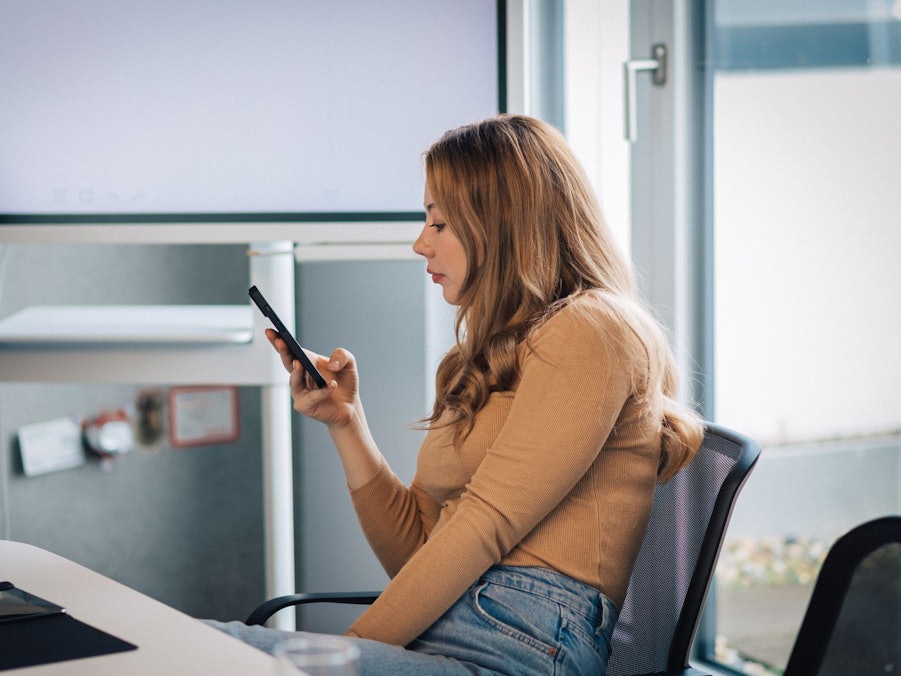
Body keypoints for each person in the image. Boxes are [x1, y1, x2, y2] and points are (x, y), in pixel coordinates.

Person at [208, 114, 704, 675]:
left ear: (504, 224)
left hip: (519, 651)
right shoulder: (489, 353)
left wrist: (328, 660)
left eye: (439, 223)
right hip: (447, 631)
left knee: (195, 653)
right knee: (184, 647)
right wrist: (346, 423)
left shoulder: (595, 329)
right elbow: (419, 548)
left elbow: (483, 524)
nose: (421, 243)